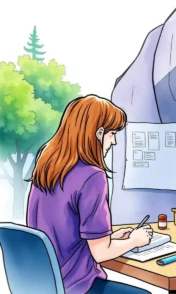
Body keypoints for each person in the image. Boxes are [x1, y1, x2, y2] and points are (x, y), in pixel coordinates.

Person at [26, 95, 153, 294]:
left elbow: (64, 233)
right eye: (112, 134)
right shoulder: (92, 176)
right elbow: (101, 253)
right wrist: (135, 240)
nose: (115, 142)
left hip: (42, 284)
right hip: (76, 286)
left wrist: (110, 237)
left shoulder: (47, 167)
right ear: (99, 133)